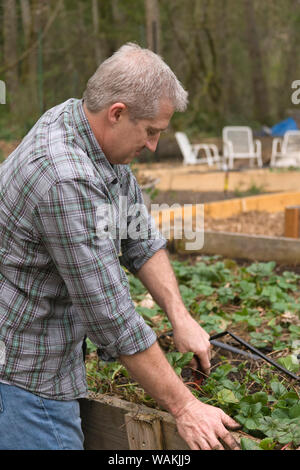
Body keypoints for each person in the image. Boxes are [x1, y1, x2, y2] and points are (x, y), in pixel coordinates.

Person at [0, 43, 240, 450]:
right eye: (151, 131)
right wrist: (185, 408)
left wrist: (180, 316)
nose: (153, 146)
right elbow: (110, 315)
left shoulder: (83, 127)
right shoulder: (64, 177)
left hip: (49, 353)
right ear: (117, 112)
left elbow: (138, 235)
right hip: (27, 376)